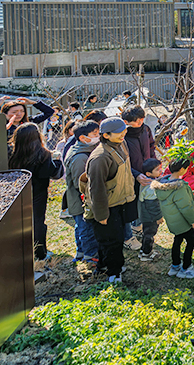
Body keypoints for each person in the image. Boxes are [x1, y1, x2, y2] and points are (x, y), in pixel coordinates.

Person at [82, 117, 136, 283]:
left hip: (120, 201)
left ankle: (105, 266)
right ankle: (114, 273)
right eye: (119, 132)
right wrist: (101, 214)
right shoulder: (100, 158)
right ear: (105, 135)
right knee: (111, 241)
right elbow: (96, 189)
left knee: (115, 239)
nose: (123, 134)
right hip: (107, 206)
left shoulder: (121, 144)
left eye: (124, 130)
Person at [9, 123, 64, 261]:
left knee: (17, 223)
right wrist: (56, 160)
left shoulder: (12, 153)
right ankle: (40, 253)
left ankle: (19, 251)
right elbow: (53, 174)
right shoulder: (43, 154)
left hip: (16, 193)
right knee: (38, 222)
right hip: (38, 193)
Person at [152, 157, 194, 279]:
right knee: (191, 241)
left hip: (173, 221)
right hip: (183, 221)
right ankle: (186, 268)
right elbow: (186, 207)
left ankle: (175, 266)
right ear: (181, 170)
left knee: (177, 240)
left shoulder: (164, 183)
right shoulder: (179, 187)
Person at [64, 120, 101, 264]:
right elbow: (81, 183)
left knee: (81, 226)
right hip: (80, 200)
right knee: (86, 228)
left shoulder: (84, 150)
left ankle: (80, 252)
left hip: (81, 199)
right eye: (94, 134)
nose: (98, 136)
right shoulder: (80, 157)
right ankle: (90, 256)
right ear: (82, 138)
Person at [122, 105, 157, 250]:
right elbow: (121, 161)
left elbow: (151, 146)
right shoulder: (122, 135)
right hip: (130, 174)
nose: (141, 122)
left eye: (142, 119)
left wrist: (154, 165)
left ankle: (137, 226)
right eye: (137, 121)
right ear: (126, 122)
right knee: (131, 201)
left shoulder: (146, 129)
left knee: (143, 200)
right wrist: (135, 174)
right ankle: (130, 230)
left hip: (146, 172)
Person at [137, 158, 164, 262]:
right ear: (148, 173)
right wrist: (158, 217)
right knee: (150, 234)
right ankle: (146, 254)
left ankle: (143, 250)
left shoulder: (146, 181)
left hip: (145, 215)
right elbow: (152, 205)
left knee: (146, 233)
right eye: (157, 169)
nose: (160, 170)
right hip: (150, 216)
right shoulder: (151, 187)